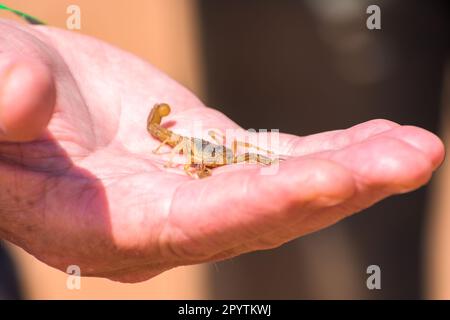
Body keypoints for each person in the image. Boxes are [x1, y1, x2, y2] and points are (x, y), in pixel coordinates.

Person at [0, 18, 444, 283]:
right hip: (192, 145)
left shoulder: (221, 152)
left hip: (202, 147)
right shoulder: (188, 146)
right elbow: (200, 156)